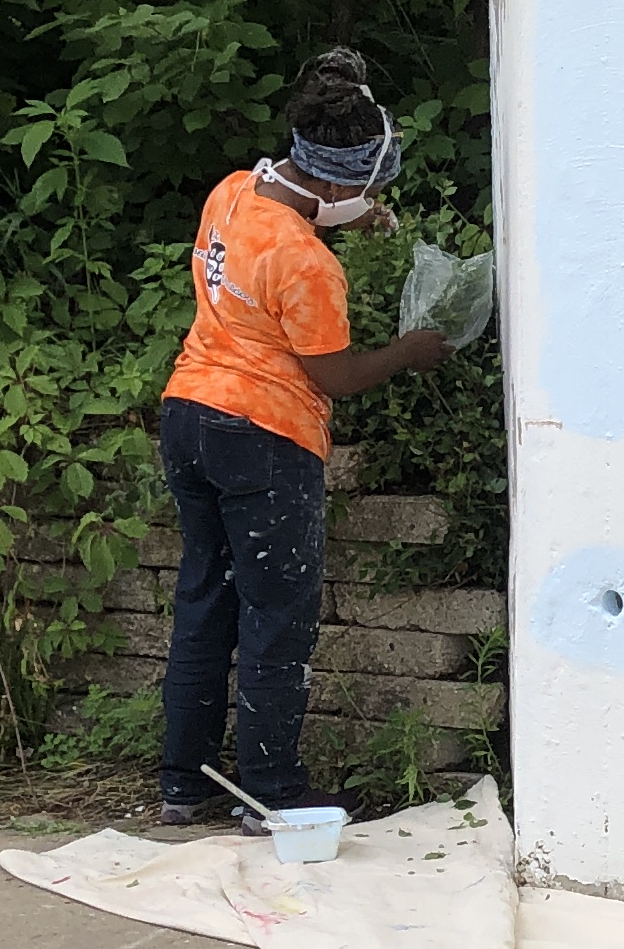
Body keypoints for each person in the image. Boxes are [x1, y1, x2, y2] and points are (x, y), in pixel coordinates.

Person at [153, 49, 450, 828]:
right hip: (263, 434)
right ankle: (271, 793)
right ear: (337, 182)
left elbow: (280, 229)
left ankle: (183, 785)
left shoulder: (233, 192)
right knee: (276, 616)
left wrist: (347, 215)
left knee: (202, 602)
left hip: (188, 412)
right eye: (368, 191)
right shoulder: (311, 265)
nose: (371, 202)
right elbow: (336, 375)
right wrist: (410, 351)